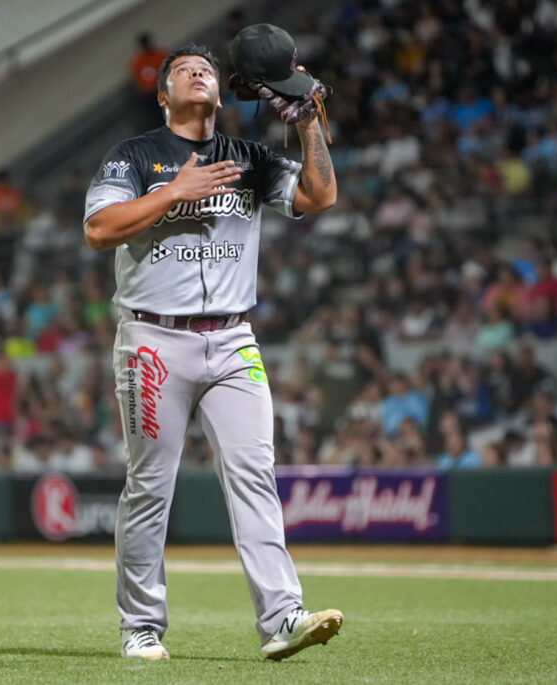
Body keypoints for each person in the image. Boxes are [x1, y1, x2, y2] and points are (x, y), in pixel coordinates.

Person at [83, 39, 341, 661]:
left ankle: (283, 618)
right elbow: (97, 228)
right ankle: (140, 627)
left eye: (205, 70)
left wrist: (308, 123)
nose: (197, 74)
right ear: (164, 93)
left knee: (254, 475)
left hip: (232, 339)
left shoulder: (248, 157)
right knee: (151, 486)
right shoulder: (136, 156)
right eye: (182, 71)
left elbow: (319, 196)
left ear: (222, 92)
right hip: (153, 338)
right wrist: (175, 190)